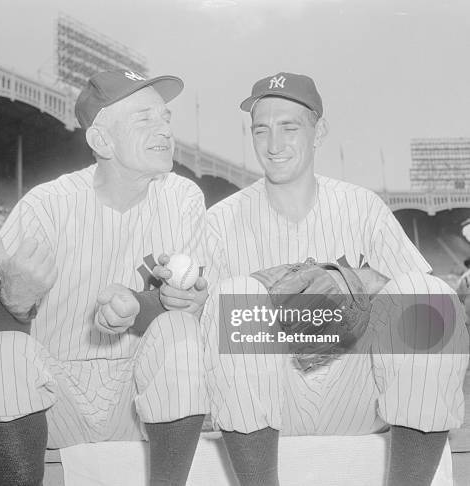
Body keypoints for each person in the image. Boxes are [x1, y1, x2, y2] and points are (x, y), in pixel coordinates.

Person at [201, 72, 469, 486]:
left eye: (289, 128)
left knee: (428, 296)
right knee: (237, 295)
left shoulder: (362, 206)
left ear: (318, 130)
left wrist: (355, 281)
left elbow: (427, 302)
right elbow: (202, 319)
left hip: (359, 392)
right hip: (268, 402)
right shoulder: (219, 221)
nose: (274, 145)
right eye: (261, 130)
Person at [0, 70, 211, 486]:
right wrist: (14, 302)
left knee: (179, 332)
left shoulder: (182, 197)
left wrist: (139, 305)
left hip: (139, 407)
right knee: (3, 351)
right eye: (143, 119)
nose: (164, 129)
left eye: (164, 118)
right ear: (102, 140)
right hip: (53, 403)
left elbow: (175, 304)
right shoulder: (47, 204)